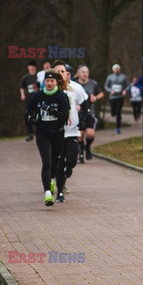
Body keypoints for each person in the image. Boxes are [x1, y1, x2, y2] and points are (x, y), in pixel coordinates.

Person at [26, 70, 70, 206]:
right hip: (42, 133)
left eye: (52, 81)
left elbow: (65, 117)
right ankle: (48, 193)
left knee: (55, 162)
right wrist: (31, 118)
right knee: (46, 162)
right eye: (47, 81)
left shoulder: (61, 96)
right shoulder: (37, 96)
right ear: (44, 82)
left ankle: (51, 180)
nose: (49, 83)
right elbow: (28, 111)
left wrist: (53, 111)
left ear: (56, 82)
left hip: (57, 133)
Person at [53, 61, 88, 203]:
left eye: (63, 72)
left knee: (72, 160)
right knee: (59, 163)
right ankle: (60, 192)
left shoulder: (76, 88)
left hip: (72, 131)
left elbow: (85, 104)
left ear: (68, 74)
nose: (61, 75)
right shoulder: (50, 89)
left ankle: (69, 168)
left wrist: (82, 119)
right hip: (57, 132)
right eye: (58, 72)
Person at [75, 65, 104, 162]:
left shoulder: (93, 83)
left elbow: (101, 93)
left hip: (89, 113)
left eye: (86, 72)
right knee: (80, 135)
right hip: (78, 114)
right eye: (82, 72)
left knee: (90, 134)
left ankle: (87, 147)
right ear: (78, 73)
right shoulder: (74, 84)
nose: (85, 74)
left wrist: (95, 98)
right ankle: (81, 155)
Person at [104, 64, 128, 134]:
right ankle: (113, 114)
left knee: (118, 112)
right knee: (113, 113)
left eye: (118, 68)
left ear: (119, 69)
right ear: (113, 69)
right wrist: (110, 91)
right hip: (112, 97)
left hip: (120, 97)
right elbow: (106, 86)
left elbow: (128, 85)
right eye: (115, 69)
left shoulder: (123, 77)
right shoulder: (110, 77)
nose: (116, 70)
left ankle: (118, 128)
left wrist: (125, 90)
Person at [20, 60, 39, 142]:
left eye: (32, 66)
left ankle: (40, 133)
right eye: (29, 66)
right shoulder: (25, 77)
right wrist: (22, 94)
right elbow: (22, 87)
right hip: (29, 100)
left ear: (35, 67)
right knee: (27, 116)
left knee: (38, 116)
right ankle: (30, 133)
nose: (31, 68)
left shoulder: (38, 77)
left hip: (38, 99)